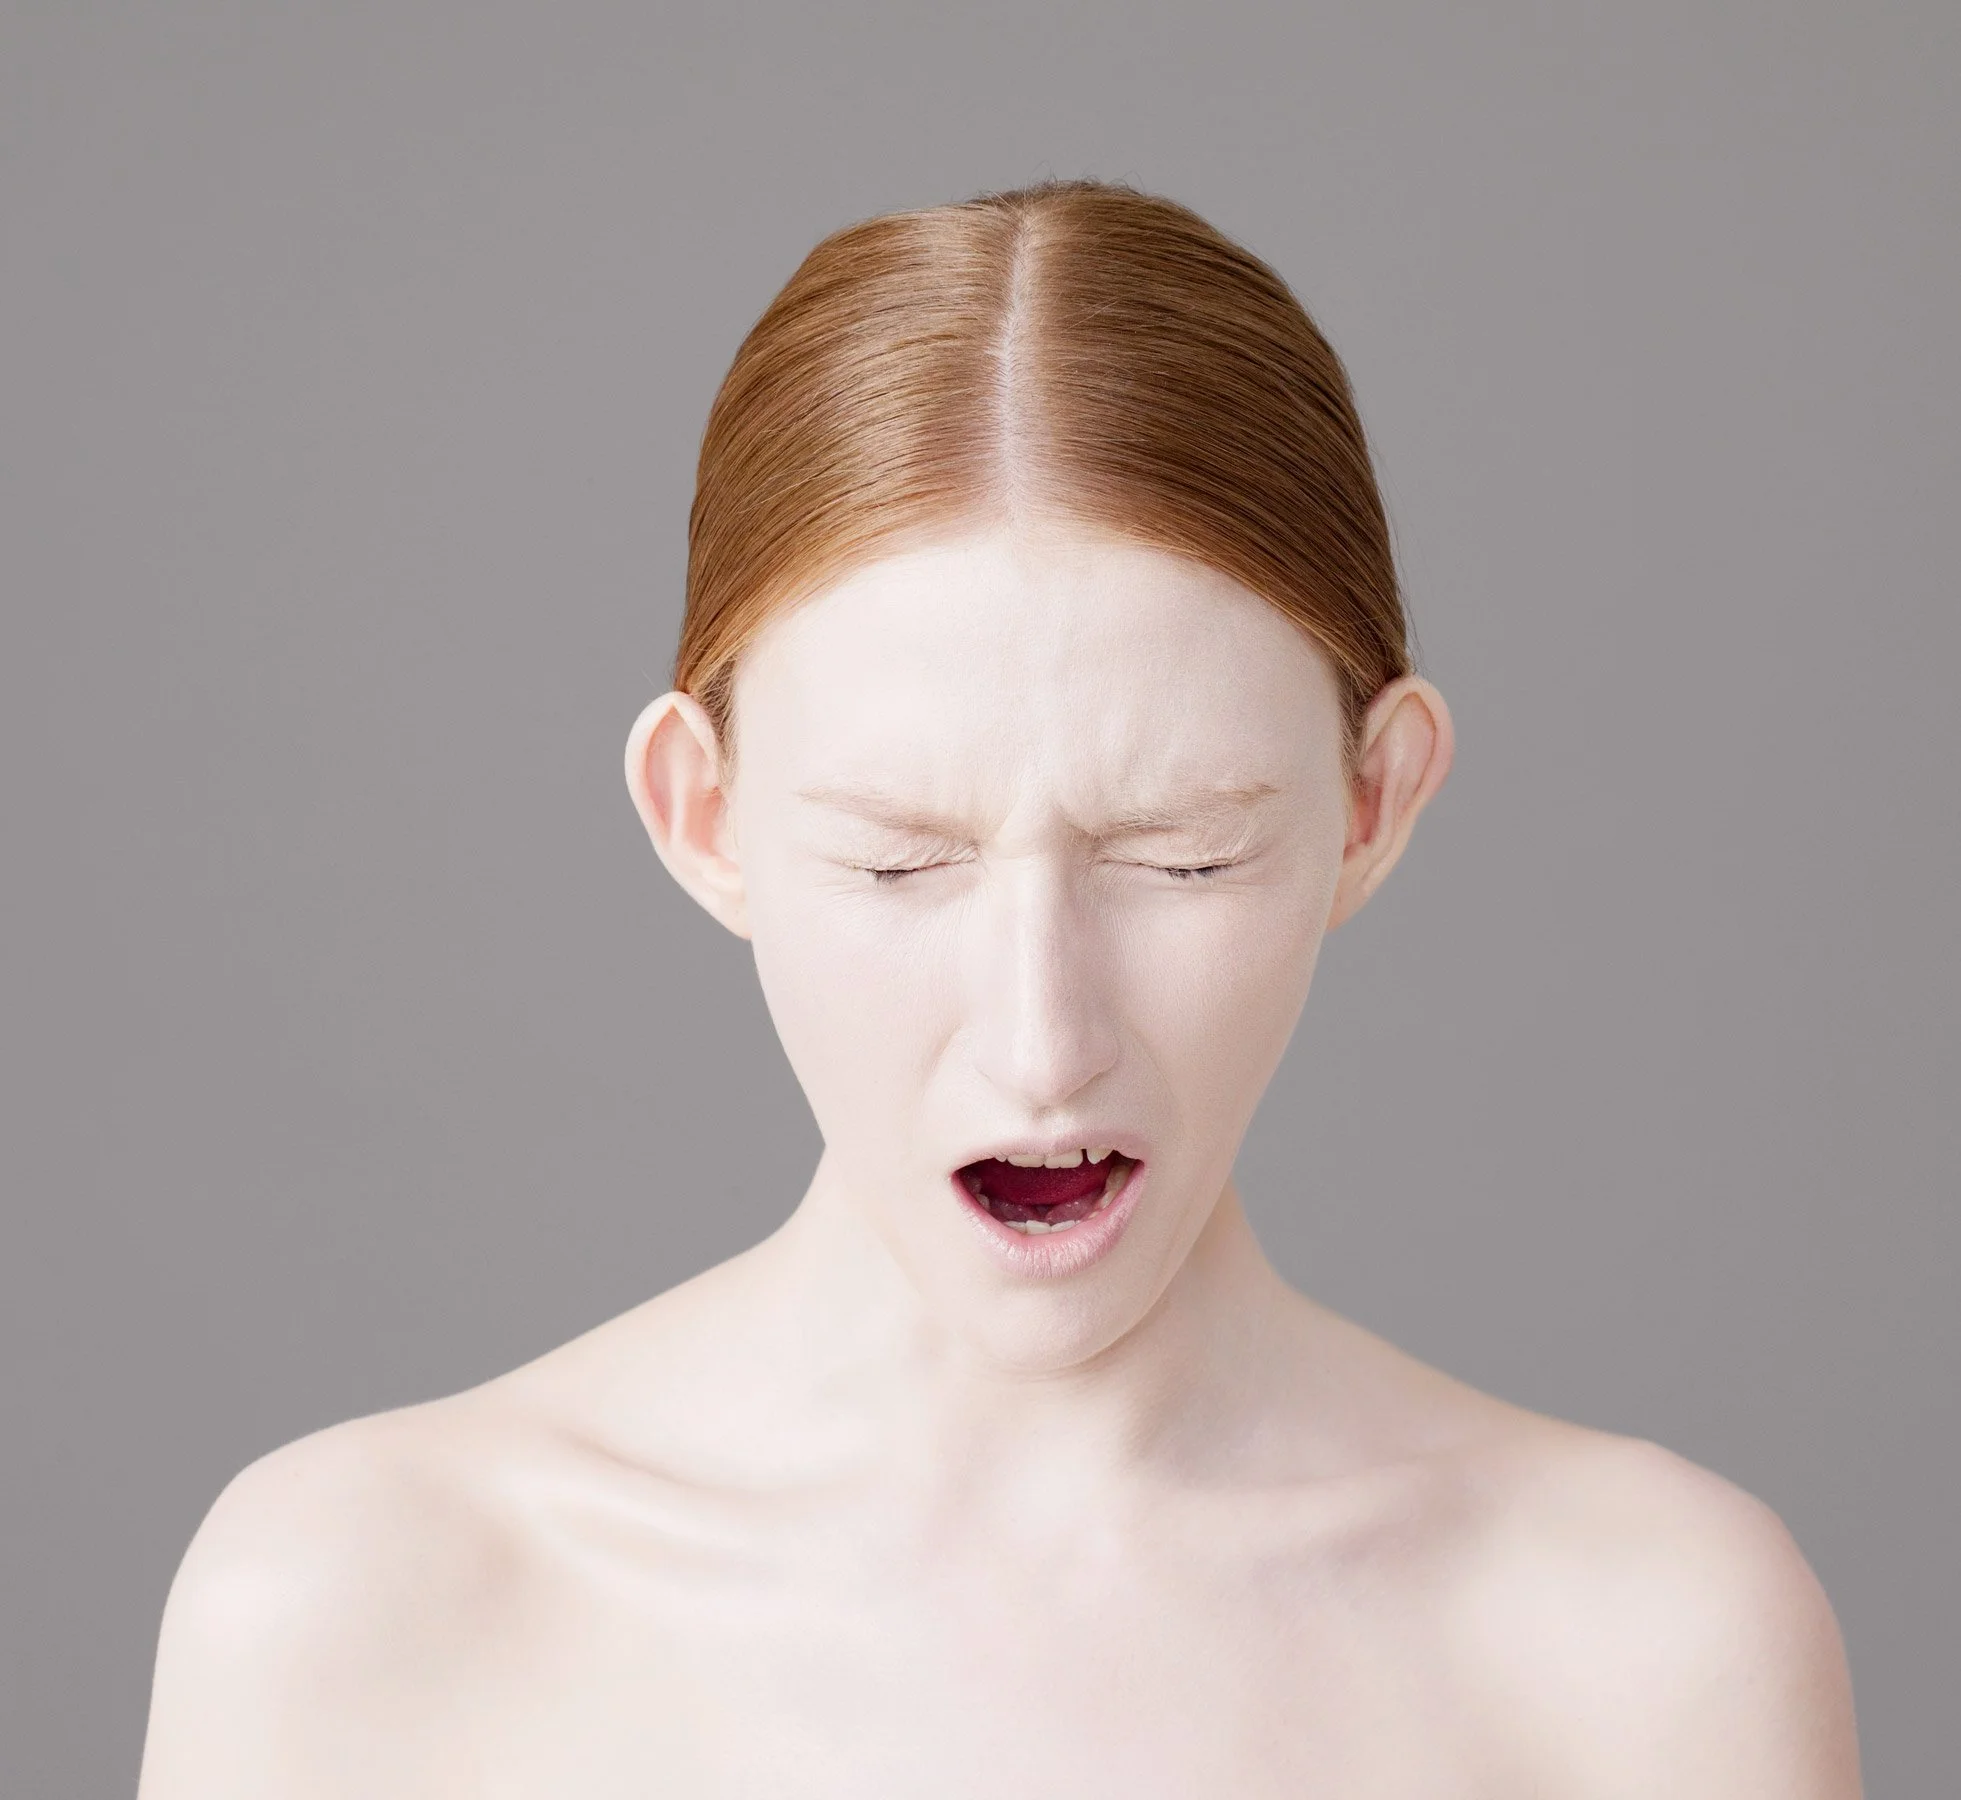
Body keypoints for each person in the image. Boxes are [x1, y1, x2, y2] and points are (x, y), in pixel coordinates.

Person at [137, 179, 1864, 1797]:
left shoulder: (1652, 1656)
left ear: (1372, 802)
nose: (1043, 1044)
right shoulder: (353, 1616)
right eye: (900, 864)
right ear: (705, 816)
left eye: (1181, 857)